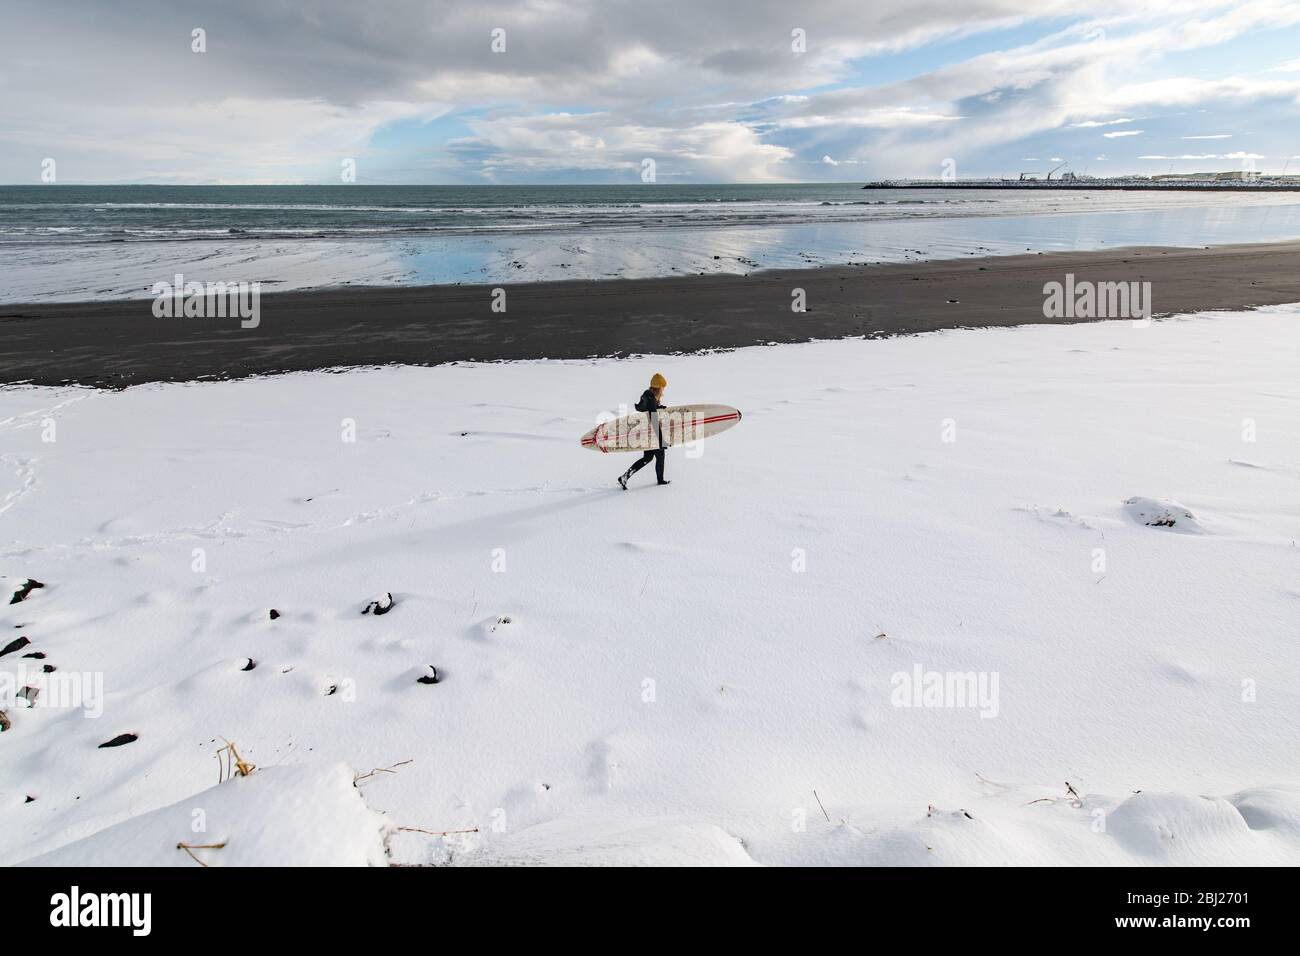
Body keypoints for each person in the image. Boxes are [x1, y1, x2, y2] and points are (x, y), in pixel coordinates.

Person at [618, 373, 671, 489]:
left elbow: (648, 410)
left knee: (648, 458)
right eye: (662, 388)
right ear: (658, 388)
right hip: (652, 433)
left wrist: (658, 408)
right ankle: (660, 480)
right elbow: (654, 420)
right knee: (659, 455)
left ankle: (624, 477)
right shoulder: (651, 399)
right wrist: (661, 441)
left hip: (647, 433)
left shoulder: (648, 397)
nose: (663, 391)